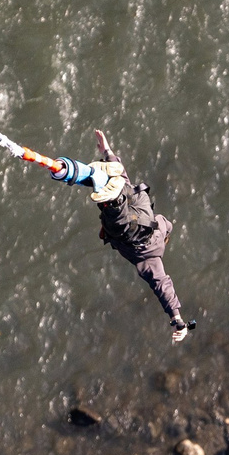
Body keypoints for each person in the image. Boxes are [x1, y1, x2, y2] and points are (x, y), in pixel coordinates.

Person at [50, 130, 195, 341]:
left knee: (124, 185)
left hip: (143, 207)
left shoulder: (161, 225)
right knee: (117, 219)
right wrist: (177, 319)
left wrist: (108, 152)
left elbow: (125, 178)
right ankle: (113, 201)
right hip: (133, 230)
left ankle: (100, 180)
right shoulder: (151, 259)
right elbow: (163, 286)